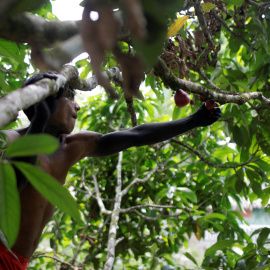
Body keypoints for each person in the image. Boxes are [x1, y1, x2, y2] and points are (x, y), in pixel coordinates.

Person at [0, 72, 221, 269]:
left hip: (20, 262)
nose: (77, 106)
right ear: (45, 100)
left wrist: (194, 120)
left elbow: (136, 136)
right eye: (70, 98)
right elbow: (13, 185)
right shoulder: (9, 141)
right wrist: (39, 120)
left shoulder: (71, 146)